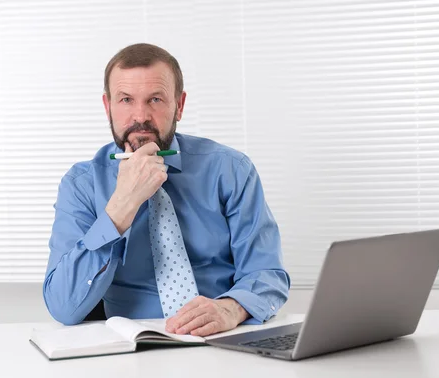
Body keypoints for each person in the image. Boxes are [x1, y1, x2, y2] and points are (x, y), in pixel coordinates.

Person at [43, 43, 290, 337]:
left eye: (155, 99)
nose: (140, 116)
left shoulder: (230, 170)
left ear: (179, 105)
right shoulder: (81, 184)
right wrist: (123, 204)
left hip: (221, 338)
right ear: (108, 107)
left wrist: (231, 308)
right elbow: (63, 306)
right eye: (125, 100)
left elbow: (268, 273)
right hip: (129, 349)